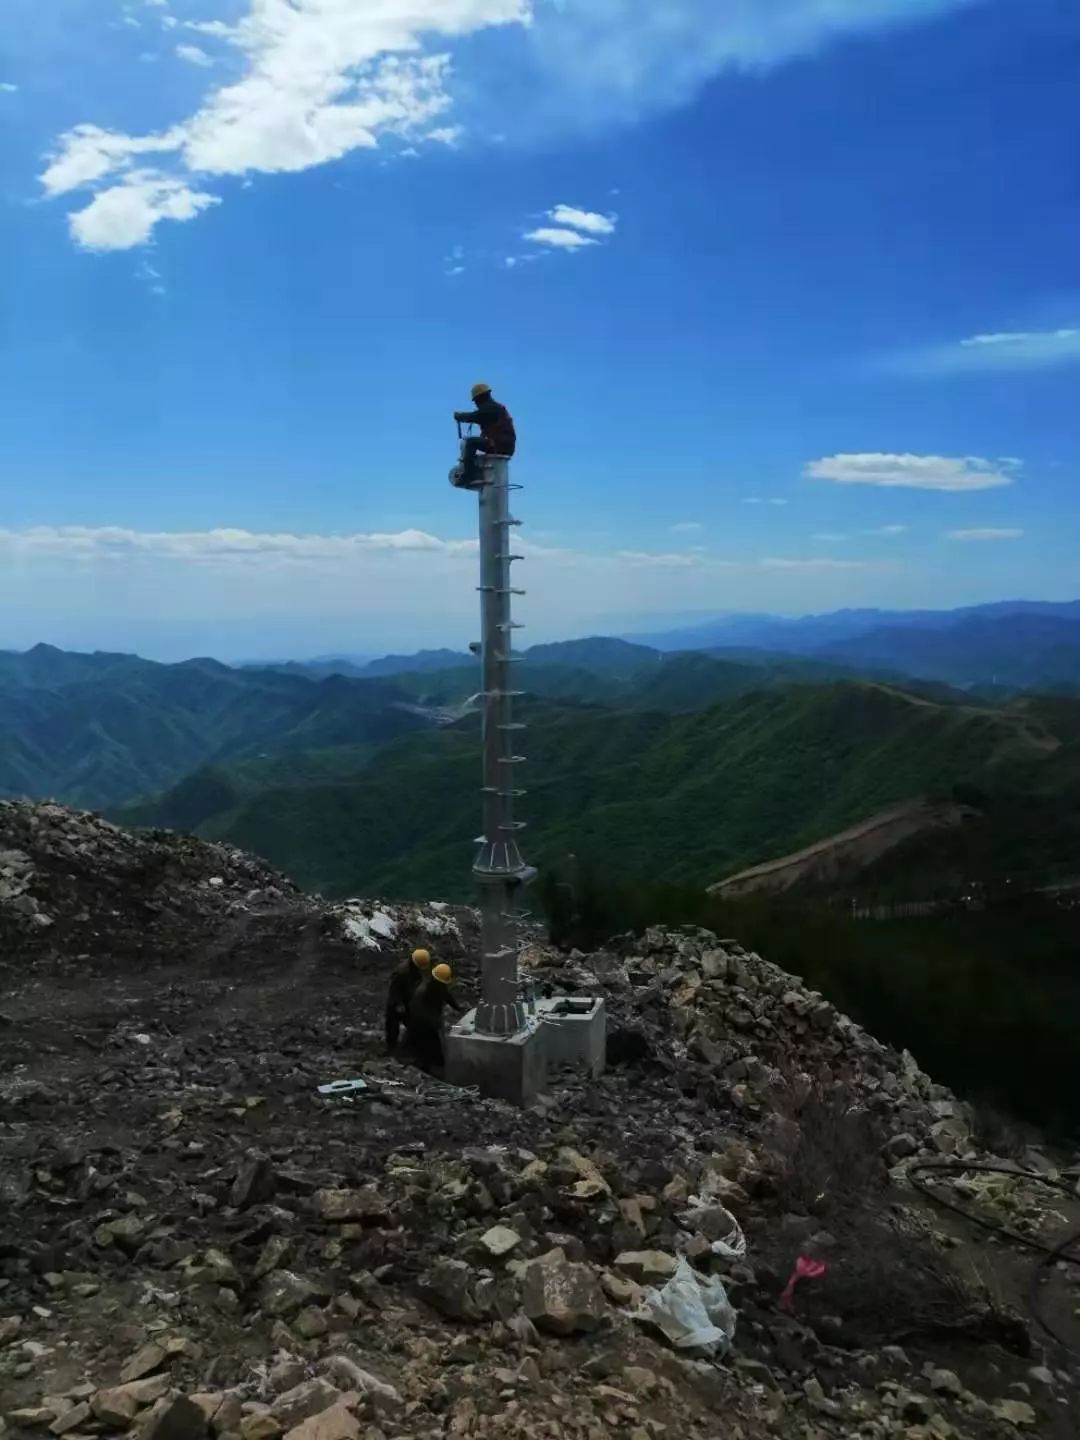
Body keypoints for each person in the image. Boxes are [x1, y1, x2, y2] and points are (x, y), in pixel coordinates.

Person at [452, 383, 516, 488]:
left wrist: (460, 416)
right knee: (473, 443)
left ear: (480, 399)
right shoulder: (495, 409)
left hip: (500, 445)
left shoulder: (491, 409)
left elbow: (475, 416)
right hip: (503, 445)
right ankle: (472, 469)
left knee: (471, 442)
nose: (476, 405)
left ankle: (469, 475)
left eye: (476, 401)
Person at [406, 962, 463, 1072]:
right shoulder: (424, 992)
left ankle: (433, 1063)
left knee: (432, 1046)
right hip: (421, 1021)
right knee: (426, 1044)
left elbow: (447, 996)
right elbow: (420, 1011)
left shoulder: (439, 986)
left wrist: (457, 1007)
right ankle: (425, 1066)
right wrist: (436, 1023)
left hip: (428, 1019)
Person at [385, 947, 431, 1052]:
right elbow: (394, 990)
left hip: (408, 1000)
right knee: (393, 1026)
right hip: (397, 1001)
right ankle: (392, 1048)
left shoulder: (415, 969)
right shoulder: (402, 972)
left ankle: (412, 1045)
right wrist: (399, 1004)